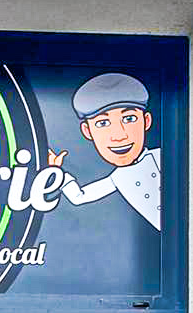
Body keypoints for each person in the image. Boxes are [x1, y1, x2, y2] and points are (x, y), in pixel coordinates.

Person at [46, 72, 161, 231]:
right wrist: (58, 172)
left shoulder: (164, 157)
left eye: (129, 119)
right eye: (103, 123)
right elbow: (79, 197)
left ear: (146, 121)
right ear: (87, 131)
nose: (119, 136)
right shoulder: (118, 177)